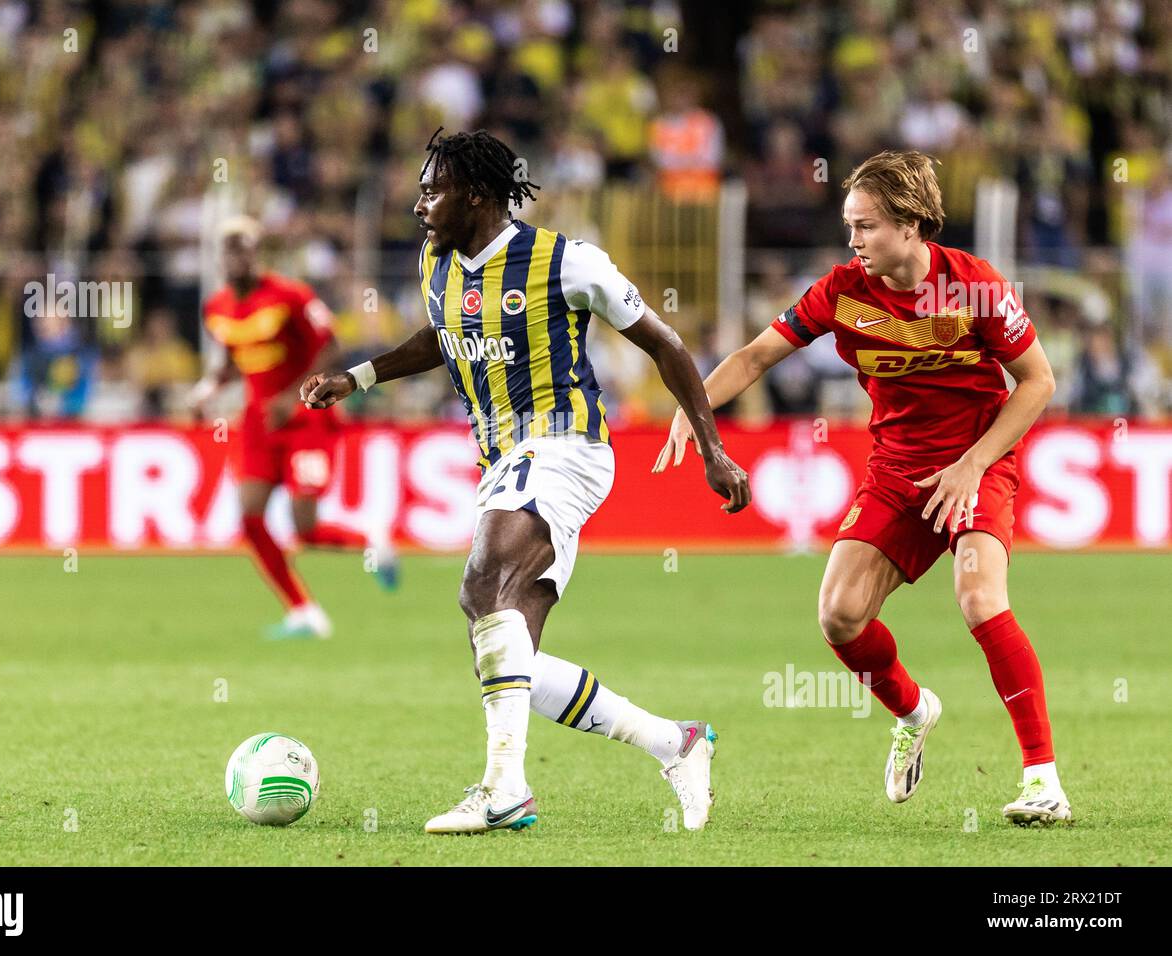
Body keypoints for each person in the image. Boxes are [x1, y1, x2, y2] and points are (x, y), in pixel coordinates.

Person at [303, 129, 750, 834]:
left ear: (476, 195)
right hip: (503, 462)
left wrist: (711, 446)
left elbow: (665, 344)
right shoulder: (435, 261)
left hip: (564, 446)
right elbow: (439, 336)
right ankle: (676, 742)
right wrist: (356, 377)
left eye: (432, 189)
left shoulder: (567, 262)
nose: (419, 203)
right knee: (506, 645)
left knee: (482, 585)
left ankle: (503, 789)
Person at [655, 150, 1072, 826]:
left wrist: (973, 464)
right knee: (839, 615)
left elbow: (1038, 382)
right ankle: (913, 711)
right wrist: (695, 408)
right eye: (850, 226)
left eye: (867, 226)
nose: (854, 241)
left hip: (977, 463)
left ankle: (1043, 780)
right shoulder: (844, 290)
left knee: (978, 596)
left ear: (911, 224)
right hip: (898, 472)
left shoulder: (975, 286)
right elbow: (756, 354)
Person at [191, 216, 396, 641]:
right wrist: (207, 391)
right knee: (250, 518)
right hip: (259, 423)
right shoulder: (217, 308)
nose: (236, 257)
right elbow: (233, 360)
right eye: (229, 250)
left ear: (257, 254)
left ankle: (370, 539)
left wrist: (291, 397)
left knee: (306, 529)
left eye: (243, 249)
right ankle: (304, 611)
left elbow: (331, 346)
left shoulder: (290, 296)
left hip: (306, 418)